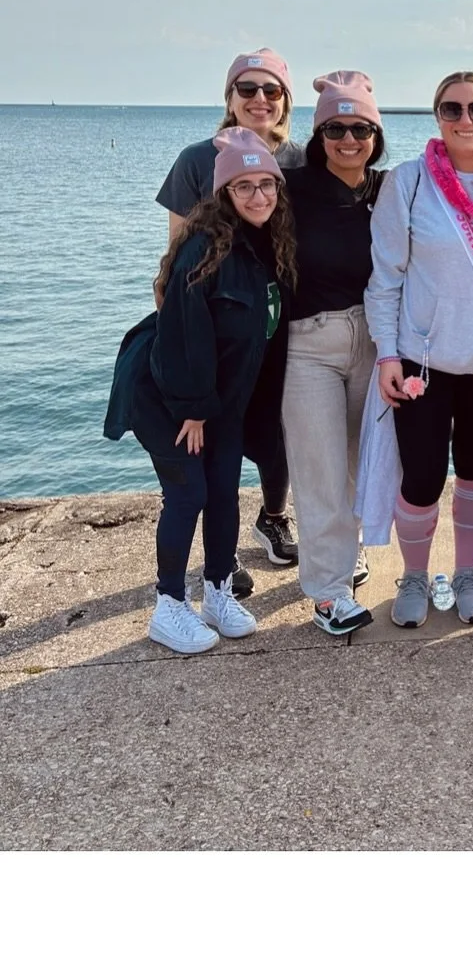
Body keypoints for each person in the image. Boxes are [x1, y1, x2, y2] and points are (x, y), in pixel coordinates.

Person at [105, 129, 297, 654]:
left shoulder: (270, 244)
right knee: (189, 493)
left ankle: (217, 592)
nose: (258, 196)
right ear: (224, 193)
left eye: (267, 184)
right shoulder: (204, 247)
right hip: (169, 395)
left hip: (222, 400)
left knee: (223, 492)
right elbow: (183, 331)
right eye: (244, 186)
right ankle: (169, 605)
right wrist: (192, 409)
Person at [364, 71, 473, 627]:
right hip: (422, 361)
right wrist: (387, 354)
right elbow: (385, 278)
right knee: (423, 478)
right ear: (437, 116)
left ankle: (467, 574)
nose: (465, 120)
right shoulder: (407, 182)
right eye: (452, 109)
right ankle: (413, 575)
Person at [155, 46, 303, 586]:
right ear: (229, 96)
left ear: (286, 100)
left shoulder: (300, 160)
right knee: (219, 441)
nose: (260, 99)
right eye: (248, 88)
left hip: (280, 320)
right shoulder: (197, 160)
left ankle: (273, 516)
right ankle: (222, 554)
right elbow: (175, 259)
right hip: (221, 328)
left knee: (279, 429)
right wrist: (180, 342)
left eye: (272, 89)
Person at [281, 73, 390, 637]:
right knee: (319, 468)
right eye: (335, 129)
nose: (349, 139)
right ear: (318, 134)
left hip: (375, 339)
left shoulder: (389, 190)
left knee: (359, 461)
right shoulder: (290, 188)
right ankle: (328, 592)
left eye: (361, 128)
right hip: (310, 343)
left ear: (376, 135)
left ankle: (348, 551)